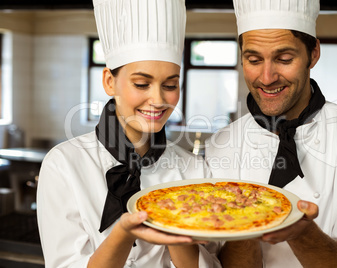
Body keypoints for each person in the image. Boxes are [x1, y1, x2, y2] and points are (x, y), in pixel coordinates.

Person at [205, 0, 337, 267]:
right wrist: (247, 222)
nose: (266, 77)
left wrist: (301, 231)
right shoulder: (222, 144)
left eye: (284, 59)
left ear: (313, 54)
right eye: (253, 59)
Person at [36, 0, 221, 267]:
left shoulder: (195, 171)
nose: (158, 99)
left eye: (170, 84)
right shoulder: (64, 163)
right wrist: (123, 232)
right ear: (110, 82)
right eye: (142, 83)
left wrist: (174, 229)